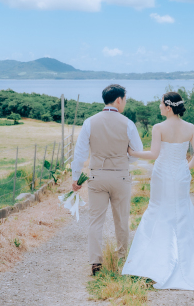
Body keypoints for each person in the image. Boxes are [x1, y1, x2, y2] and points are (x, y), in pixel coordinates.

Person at [121, 91, 194, 291]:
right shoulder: (190, 127)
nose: (159, 107)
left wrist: (132, 152)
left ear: (168, 106)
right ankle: (187, 259)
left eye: (160, 103)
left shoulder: (159, 128)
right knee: (182, 212)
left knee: (158, 211)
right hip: (181, 175)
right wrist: (185, 168)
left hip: (162, 174)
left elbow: (154, 154)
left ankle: (155, 261)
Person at [71, 84, 143, 276]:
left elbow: (80, 154)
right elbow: (137, 153)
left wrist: (76, 178)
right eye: (125, 99)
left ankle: (96, 262)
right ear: (119, 100)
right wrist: (121, 160)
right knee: (122, 220)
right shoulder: (128, 123)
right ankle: (121, 259)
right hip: (120, 175)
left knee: (95, 221)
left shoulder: (90, 122)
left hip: (97, 176)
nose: (125, 103)